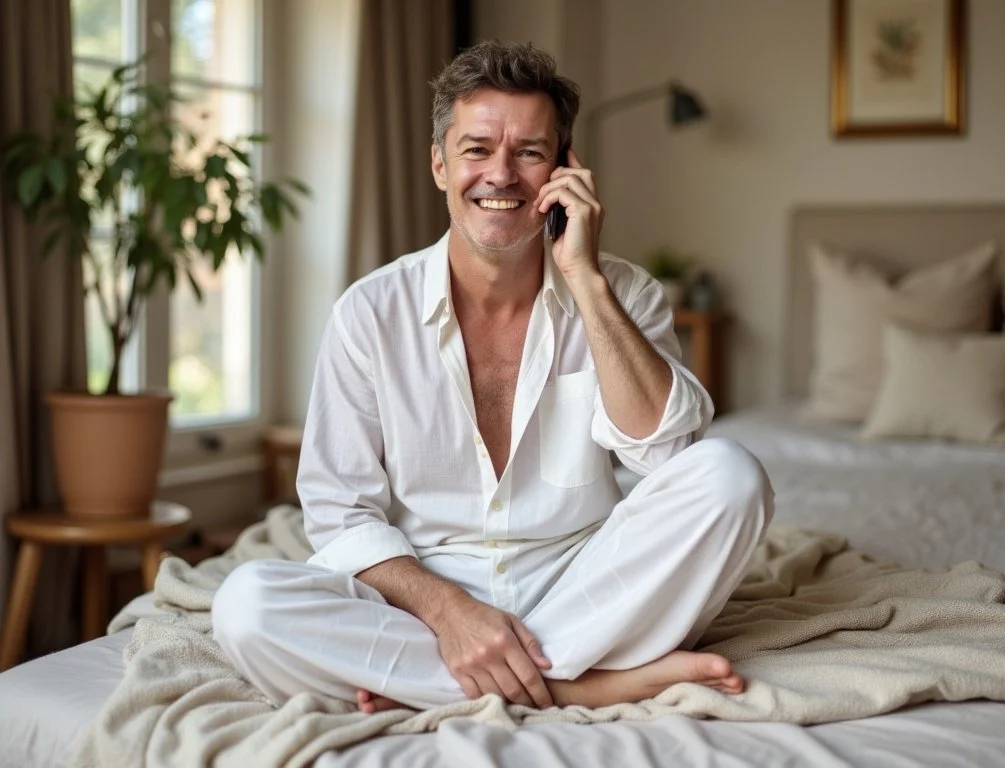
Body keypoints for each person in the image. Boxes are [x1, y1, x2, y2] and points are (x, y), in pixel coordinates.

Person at [212, 40, 773, 714]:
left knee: (731, 475)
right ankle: (578, 686)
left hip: (582, 580)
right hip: (428, 594)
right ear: (439, 165)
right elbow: (339, 514)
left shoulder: (626, 294)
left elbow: (668, 456)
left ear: (565, 170)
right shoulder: (369, 314)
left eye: (530, 153)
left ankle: (448, 687)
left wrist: (585, 281)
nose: (501, 175)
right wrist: (451, 615)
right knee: (246, 607)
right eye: (477, 150)